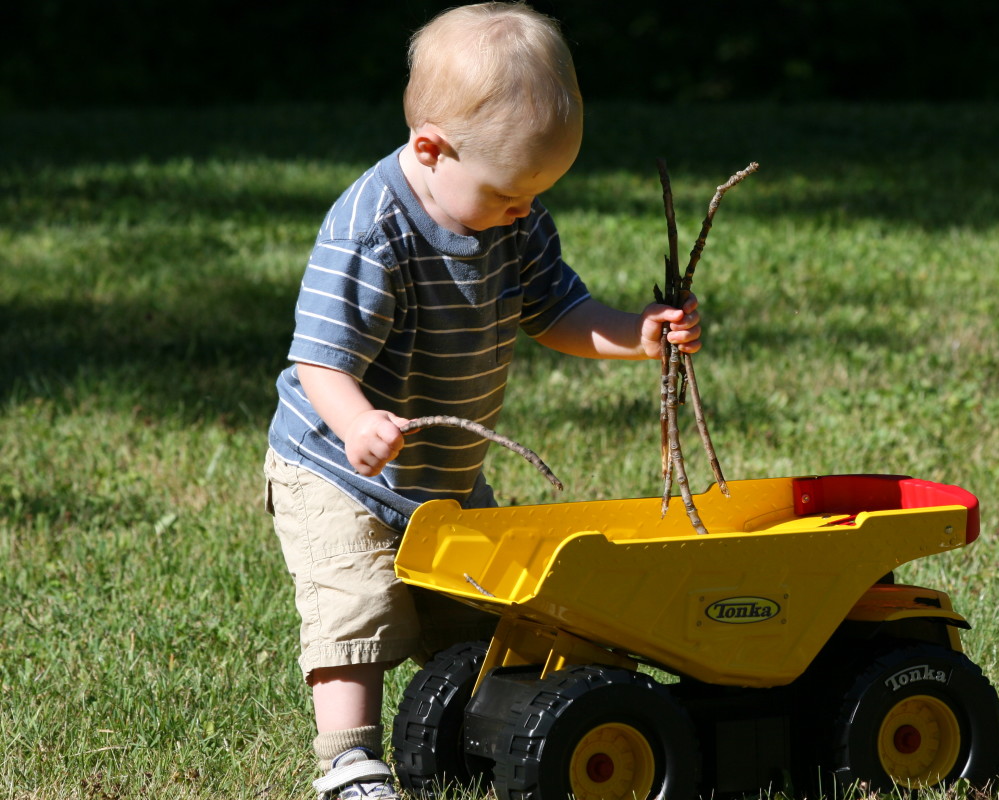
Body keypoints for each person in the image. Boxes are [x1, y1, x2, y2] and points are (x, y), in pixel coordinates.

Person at [262, 3, 702, 798]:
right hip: (337, 467)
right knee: (355, 604)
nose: (526, 209)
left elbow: (558, 312)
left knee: (477, 610)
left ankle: (463, 729)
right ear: (430, 148)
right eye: (510, 193)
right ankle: (349, 760)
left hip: (445, 472)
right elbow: (318, 362)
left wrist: (636, 334)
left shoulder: (512, 217)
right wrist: (358, 422)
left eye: (539, 192)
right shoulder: (372, 231)